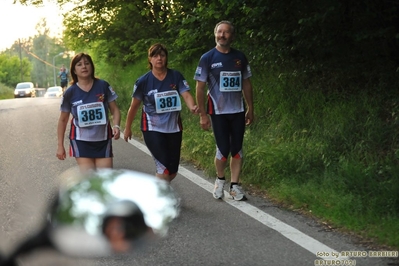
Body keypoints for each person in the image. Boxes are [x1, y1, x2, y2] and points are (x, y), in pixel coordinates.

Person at [194, 20, 254, 201]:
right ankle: (220, 180)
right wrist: (203, 114)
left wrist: (250, 108)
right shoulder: (207, 58)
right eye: (219, 32)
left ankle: (235, 186)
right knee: (223, 148)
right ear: (215, 34)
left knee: (237, 148)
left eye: (226, 32)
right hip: (217, 111)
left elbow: (246, 83)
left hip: (237, 110)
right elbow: (200, 87)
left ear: (232, 36)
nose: (222, 35)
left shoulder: (240, 57)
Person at [123, 43, 198, 183]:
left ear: (166, 58)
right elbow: (134, 106)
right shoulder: (143, 81)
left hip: (174, 127)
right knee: (163, 168)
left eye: (162, 55)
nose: (159, 58)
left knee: (172, 171)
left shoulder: (175, 76)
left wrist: (192, 106)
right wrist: (127, 128)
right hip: (152, 128)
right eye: (155, 56)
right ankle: (163, 199)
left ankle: (157, 191)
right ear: (150, 59)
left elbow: (186, 95)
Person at [56, 53, 121, 172]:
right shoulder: (70, 92)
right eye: (79, 64)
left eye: (87, 63)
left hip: (103, 140)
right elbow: (63, 120)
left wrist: (116, 125)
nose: (84, 67)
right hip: (81, 141)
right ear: (74, 71)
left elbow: (114, 109)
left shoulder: (103, 86)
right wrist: (60, 146)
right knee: (90, 180)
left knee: (105, 179)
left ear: (92, 66)